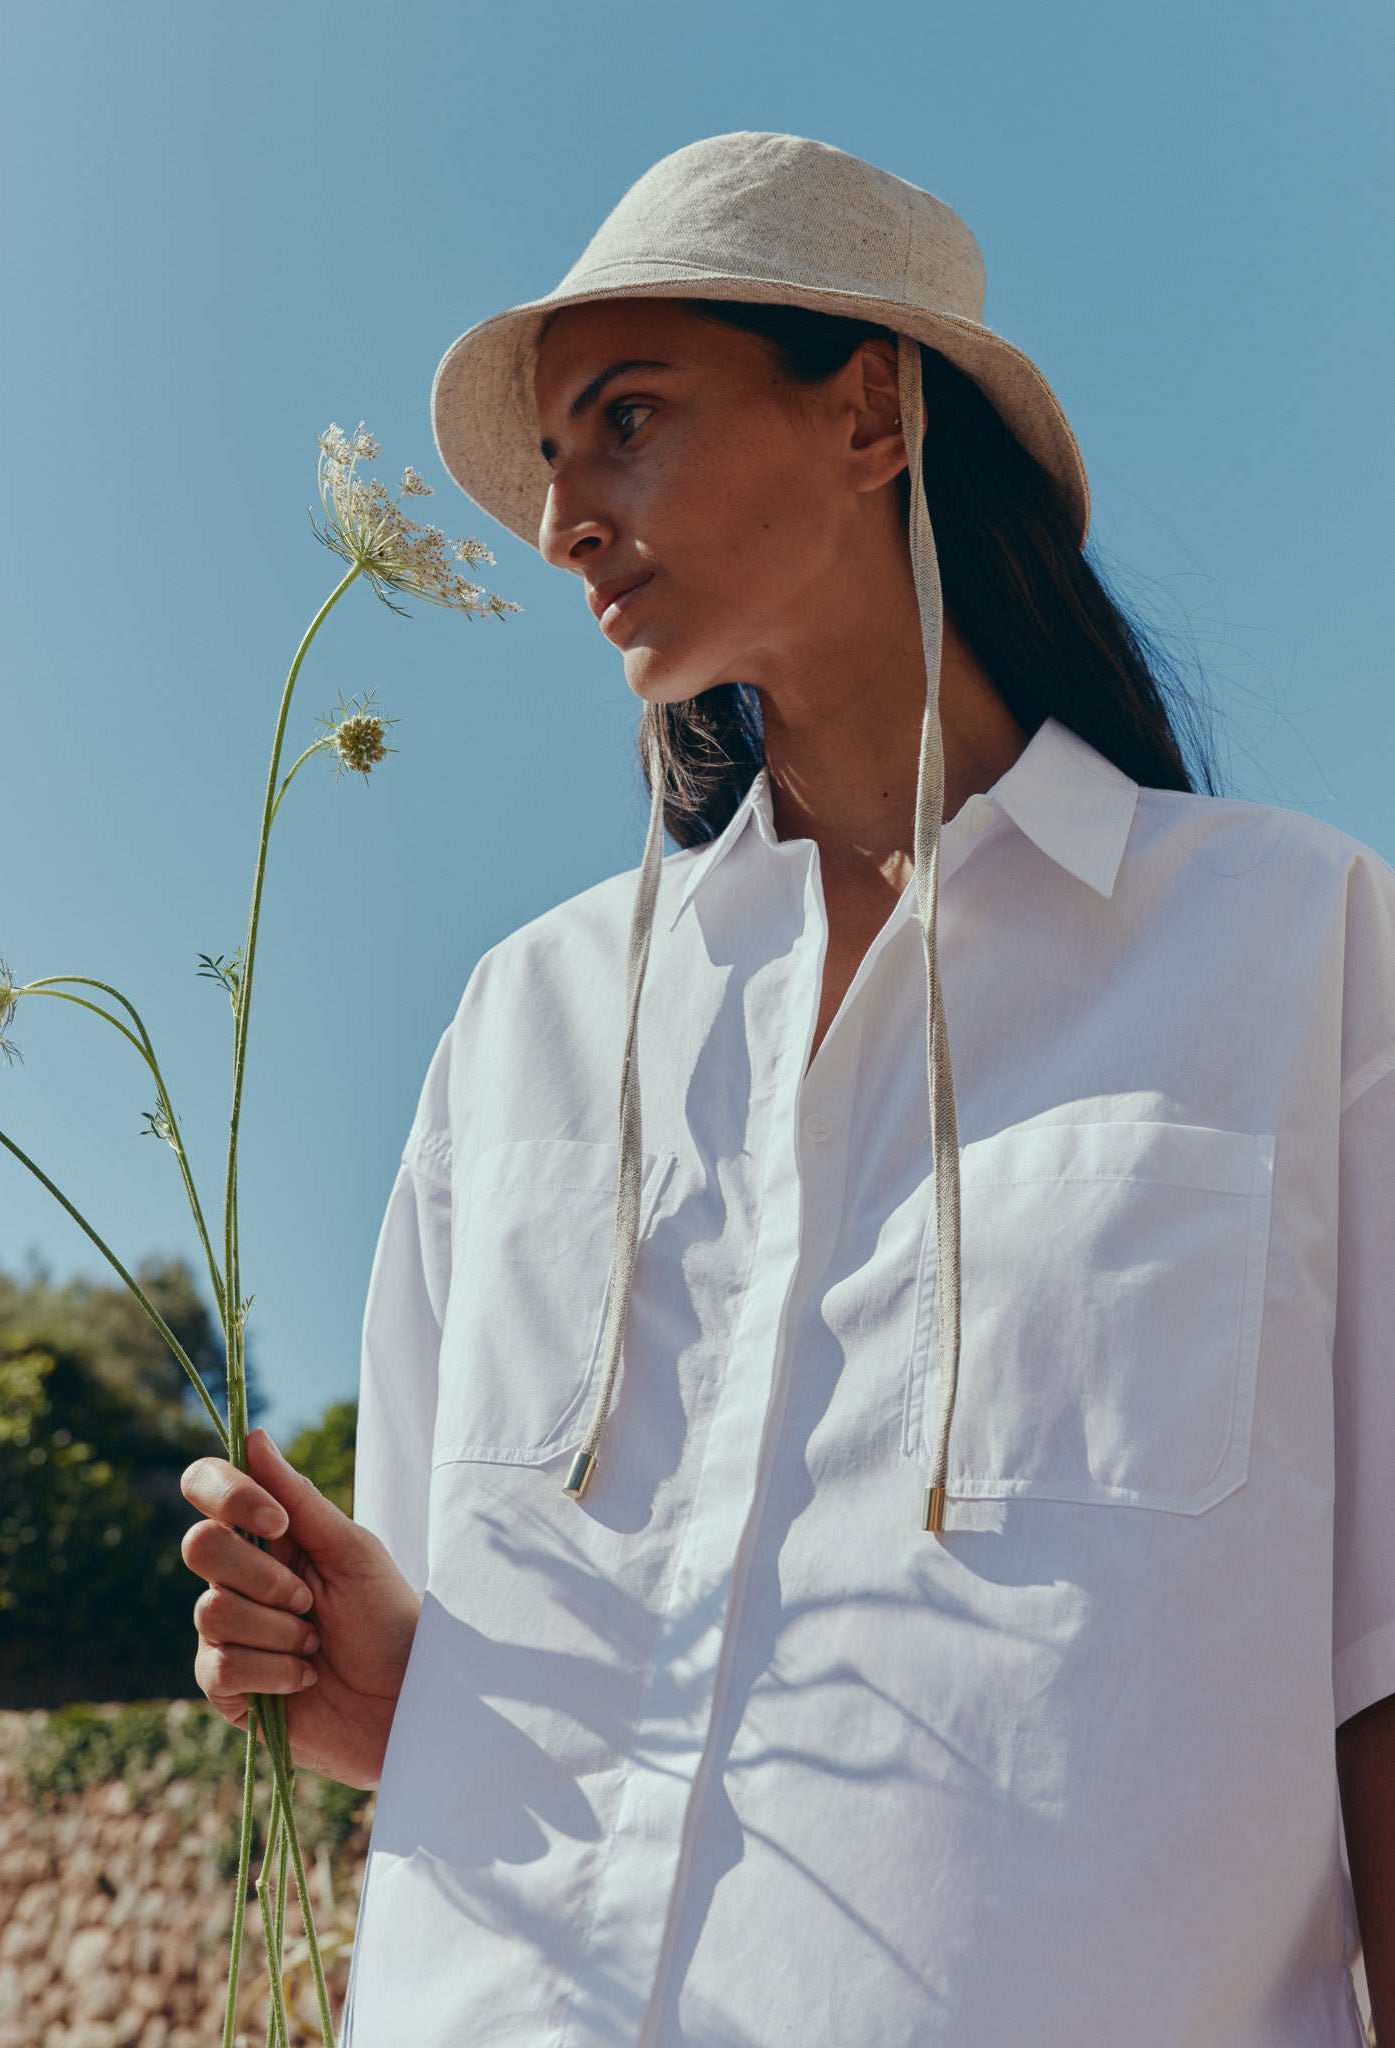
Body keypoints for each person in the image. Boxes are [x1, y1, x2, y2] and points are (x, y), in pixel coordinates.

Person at [180, 132, 1395, 2045]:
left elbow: (1375, 1673)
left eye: (628, 418)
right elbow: (497, 1662)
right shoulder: (521, 1026)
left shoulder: (1294, 946)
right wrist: (380, 1693)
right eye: (556, 458)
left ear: (871, 413)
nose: (565, 516)